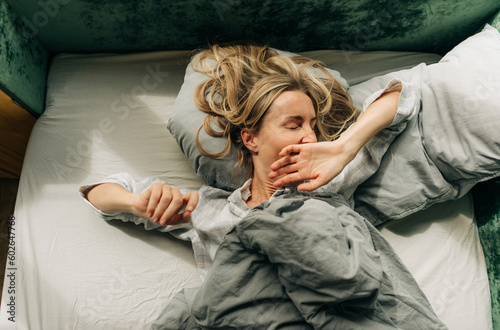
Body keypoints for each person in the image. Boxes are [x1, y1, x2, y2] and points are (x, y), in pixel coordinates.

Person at [80, 43, 408, 276]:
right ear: (251, 139)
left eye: (313, 126)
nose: (310, 136)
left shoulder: (332, 178)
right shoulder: (210, 211)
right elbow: (98, 192)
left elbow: (401, 96)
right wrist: (137, 203)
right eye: (294, 125)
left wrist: (344, 147)